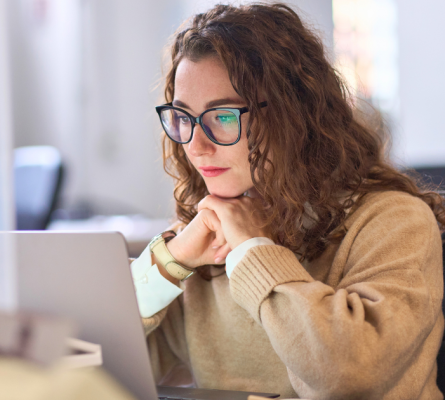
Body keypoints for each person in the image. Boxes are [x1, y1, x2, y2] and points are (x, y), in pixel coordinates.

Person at [129, 3, 445, 399]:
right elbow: (91, 363)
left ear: (293, 114)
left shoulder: (395, 222)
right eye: (183, 118)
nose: (197, 145)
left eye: (223, 117)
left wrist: (252, 251)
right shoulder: (202, 238)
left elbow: (346, 373)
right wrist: (169, 264)